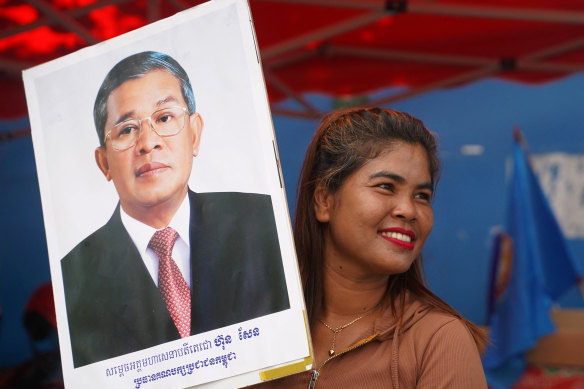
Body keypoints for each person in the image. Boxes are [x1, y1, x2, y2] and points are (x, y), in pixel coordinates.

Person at [60, 51, 289, 368]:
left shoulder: (263, 221)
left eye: (164, 118)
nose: (147, 143)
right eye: (126, 129)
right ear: (103, 163)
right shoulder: (72, 278)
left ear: (194, 134)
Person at [250, 107, 487, 388]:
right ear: (324, 200)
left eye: (422, 196)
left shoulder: (438, 341)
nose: (409, 210)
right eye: (386, 186)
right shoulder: (255, 330)